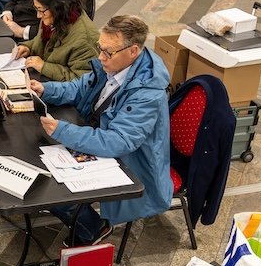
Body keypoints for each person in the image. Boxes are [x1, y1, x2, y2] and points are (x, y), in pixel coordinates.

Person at [29, 15, 172, 245]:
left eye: (108, 52)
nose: (100, 56)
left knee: (50, 186)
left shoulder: (148, 92)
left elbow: (119, 142)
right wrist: (46, 89)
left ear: (133, 51)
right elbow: (80, 87)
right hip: (99, 138)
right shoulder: (115, 65)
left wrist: (63, 131)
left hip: (131, 163)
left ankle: (94, 228)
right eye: (100, 48)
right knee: (37, 159)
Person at [13, 0, 97, 82]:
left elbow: (82, 81)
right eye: (37, 9)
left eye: (41, 10)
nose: (38, 15)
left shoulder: (84, 40)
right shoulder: (54, 18)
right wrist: (28, 47)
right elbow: (43, 42)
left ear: (57, 8)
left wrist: (44, 67)